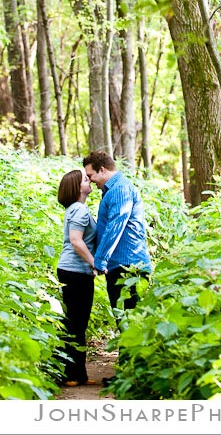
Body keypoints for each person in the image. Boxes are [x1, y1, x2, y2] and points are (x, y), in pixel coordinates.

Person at [83, 150, 152, 320]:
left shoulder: (120, 189)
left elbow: (115, 227)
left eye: (90, 175)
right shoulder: (113, 190)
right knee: (124, 321)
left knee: (130, 323)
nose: (90, 181)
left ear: (102, 170)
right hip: (119, 266)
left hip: (128, 266)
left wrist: (99, 261)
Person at [56, 167, 97, 387]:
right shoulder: (79, 210)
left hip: (74, 271)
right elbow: (76, 240)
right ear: (76, 187)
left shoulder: (76, 209)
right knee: (75, 324)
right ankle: (70, 374)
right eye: (84, 179)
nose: (89, 180)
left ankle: (78, 373)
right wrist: (95, 263)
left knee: (77, 323)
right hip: (74, 271)